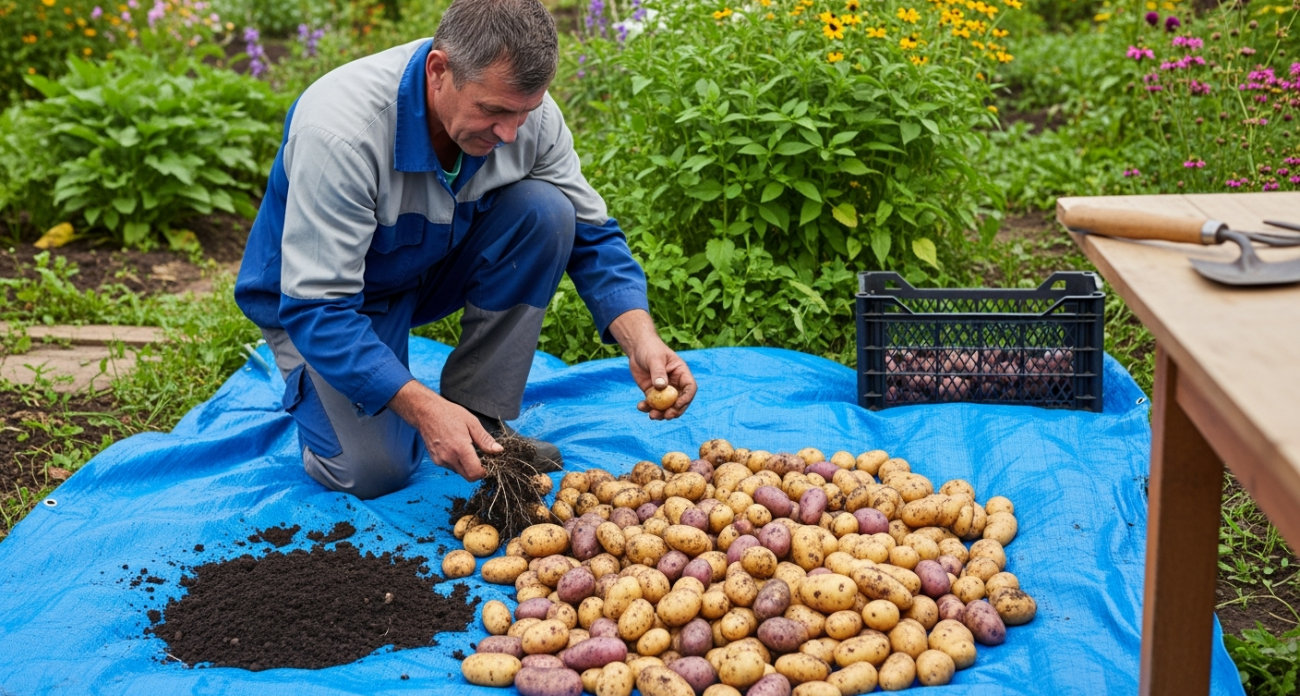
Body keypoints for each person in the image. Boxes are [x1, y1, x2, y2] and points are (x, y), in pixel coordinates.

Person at [234, 0, 696, 500]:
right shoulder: (341, 133)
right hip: (321, 307)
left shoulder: (524, 117)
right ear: (439, 71)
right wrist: (424, 407)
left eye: (526, 112)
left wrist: (640, 339)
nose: (510, 134)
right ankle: (318, 397)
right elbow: (318, 307)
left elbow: (592, 233)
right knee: (372, 472)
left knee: (547, 211)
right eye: (494, 110)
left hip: (421, 267)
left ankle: (479, 417)